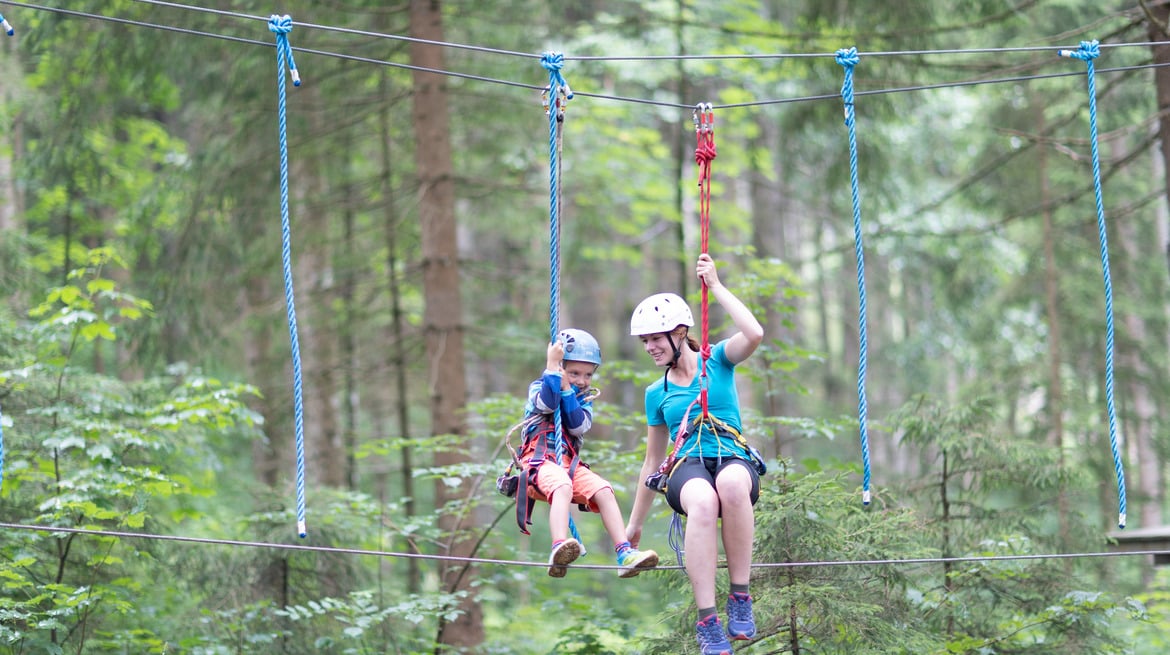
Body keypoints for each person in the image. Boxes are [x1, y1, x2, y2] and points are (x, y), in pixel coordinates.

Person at [625, 254, 765, 655]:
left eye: (655, 338)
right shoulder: (658, 393)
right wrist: (633, 526)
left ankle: (740, 595)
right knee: (703, 500)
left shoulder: (717, 361)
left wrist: (716, 286)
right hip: (687, 468)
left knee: (732, 483)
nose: (649, 347)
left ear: (680, 332)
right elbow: (652, 462)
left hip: (730, 455)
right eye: (645, 341)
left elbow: (754, 333)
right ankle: (707, 620)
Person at [517, 328, 660, 578]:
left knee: (603, 489)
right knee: (561, 484)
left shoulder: (583, 399)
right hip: (537, 463)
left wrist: (568, 391)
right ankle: (559, 545)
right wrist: (552, 368)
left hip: (567, 465)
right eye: (574, 373)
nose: (582, 380)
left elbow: (576, 424)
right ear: (561, 368)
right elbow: (547, 404)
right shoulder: (539, 387)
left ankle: (624, 553)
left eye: (588, 374)